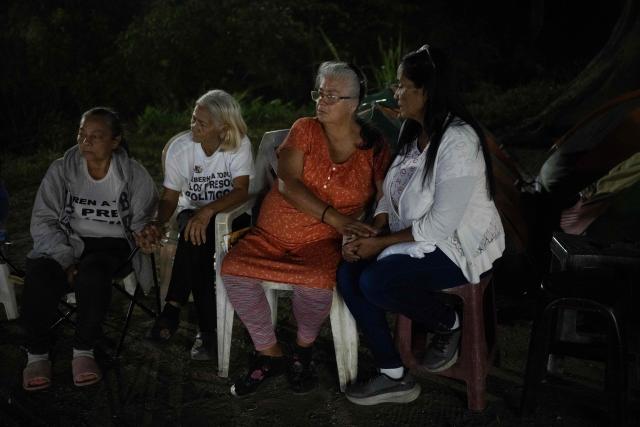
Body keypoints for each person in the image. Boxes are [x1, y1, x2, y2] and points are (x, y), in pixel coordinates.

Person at [336, 45, 505, 405]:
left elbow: (441, 225)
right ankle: (393, 373)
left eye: (401, 85)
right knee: (348, 274)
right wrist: (375, 225)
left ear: (425, 91)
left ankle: (449, 322)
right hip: (412, 236)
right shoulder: (413, 132)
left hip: (456, 245)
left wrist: (380, 245)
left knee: (376, 280)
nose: (395, 93)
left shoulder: (458, 141)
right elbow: (392, 188)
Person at [220, 62, 391, 397]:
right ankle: (270, 354)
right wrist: (338, 218)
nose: (321, 101)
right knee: (233, 270)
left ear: (354, 103)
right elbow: (287, 183)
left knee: (316, 282)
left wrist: (371, 230)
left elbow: (387, 198)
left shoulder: (375, 147)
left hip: (321, 242)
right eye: (319, 93)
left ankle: (303, 351)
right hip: (270, 235)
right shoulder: (305, 129)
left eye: (331, 95)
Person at [21, 107, 158, 391]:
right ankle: (37, 352)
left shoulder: (133, 173)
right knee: (39, 273)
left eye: (96, 136)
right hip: (68, 240)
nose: (86, 142)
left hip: (112, 245)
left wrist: (146, 233)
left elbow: (143, 219)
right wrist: (63, 258)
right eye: (82, 135)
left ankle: (83, 349)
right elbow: (43, 220)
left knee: (93, 274)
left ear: (115, 141)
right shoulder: (62, 170)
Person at [141, 90, 253, 360]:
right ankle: (208, 334)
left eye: (201, 123)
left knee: (199, 234)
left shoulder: (239, 144)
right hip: (191, 213)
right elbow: (169, 196)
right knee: (197, 240)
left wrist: (208, 212)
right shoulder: (181, 148)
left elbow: (241, 191)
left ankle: (172, 311)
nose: (193, 126)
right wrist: (158, 221)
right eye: (193, 119)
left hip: (232, 213)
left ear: (222, 128)